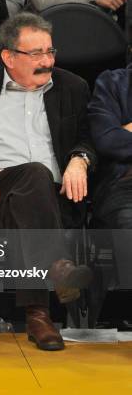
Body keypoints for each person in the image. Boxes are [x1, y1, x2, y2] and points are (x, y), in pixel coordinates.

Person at [0, 12, 95, 351]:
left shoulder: (73, 87)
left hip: (54, 200)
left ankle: (41, 302)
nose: (47, 61)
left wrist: (79, 160)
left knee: (37, 181)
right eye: (37, 54)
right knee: (34, 173)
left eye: (51, 51)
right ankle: (46, 298)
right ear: (9, 57)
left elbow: (88, 139)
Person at [87, 64, 132, 286]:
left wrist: (126, 129)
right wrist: (118, 133)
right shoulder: (112, 83)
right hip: (125, 184)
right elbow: (107, 140)